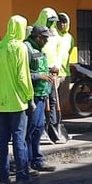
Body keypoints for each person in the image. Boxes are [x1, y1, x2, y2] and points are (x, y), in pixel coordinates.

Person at [0, 15, 34, 184]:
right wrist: (29, 96)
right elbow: (23, 77)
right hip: (18, 102)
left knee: (2, 140)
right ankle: (22, 176)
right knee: (18, 139)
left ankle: (3, 176)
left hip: (2, 102)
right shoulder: (20, 47)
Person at [25, 25, 57, 173]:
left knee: (38, 129)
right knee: (30, 130)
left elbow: (38, 68)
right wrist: (40, 76)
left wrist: (49, 71)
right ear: (38, 37)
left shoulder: (38, 49)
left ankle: (37, 160)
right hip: (32, 96)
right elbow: (23, 73)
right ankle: (26, 162)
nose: (47, 41)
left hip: (42, 94)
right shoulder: (27, 49)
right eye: (45, 38)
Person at [32, 7, 64, 143]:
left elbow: (59, 52)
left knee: (53, 100)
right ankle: (40, 127)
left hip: (52, 70)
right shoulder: (34, 31)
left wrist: (57, 65)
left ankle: (53, 126)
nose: (51, 24)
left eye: (53, 21)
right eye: (49, 21)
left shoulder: (55, 34)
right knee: (41, 100)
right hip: (39, 71)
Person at [53, 11, 76, 119]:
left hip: (65, 74)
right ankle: (50, 121)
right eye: (59, 22)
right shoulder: (53, 36)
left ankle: (58, 120)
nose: (62, 25)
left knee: (61, 100)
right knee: (53, 101)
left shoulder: (70, 38)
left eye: (64, 22)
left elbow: (69, 53)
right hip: (54, 73)